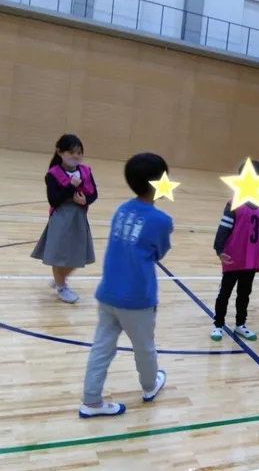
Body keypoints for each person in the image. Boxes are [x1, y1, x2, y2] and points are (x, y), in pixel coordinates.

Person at [78, 153, 173, 418]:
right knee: (144, 347)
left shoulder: (122, 209)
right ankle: (149, 386)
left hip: (107, 293)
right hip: (137, 299)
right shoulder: (162, 220)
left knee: (101, 347)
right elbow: (160, 252)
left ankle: (91, 401)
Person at [31, 134, 98, 304]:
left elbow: (94, 193)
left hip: (79, 217)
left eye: (79, 153)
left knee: (78, 254)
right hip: (61, 217)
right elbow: (54, 199)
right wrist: (71, 187)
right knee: (59, 255)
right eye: (71, 152)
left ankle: (60, 278)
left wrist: (86, 200)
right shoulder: (53, 174)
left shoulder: (86, 171)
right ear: (59, 152)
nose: (76, 156)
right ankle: (62, 288)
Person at [211, 160, 259, 342]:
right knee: (225, 293)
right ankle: (218, 325)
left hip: (251, 260)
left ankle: (240, 324)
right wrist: (219, 249)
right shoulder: (233, 204)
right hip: (233, 258)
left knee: (244, 294)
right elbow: (224, 228)